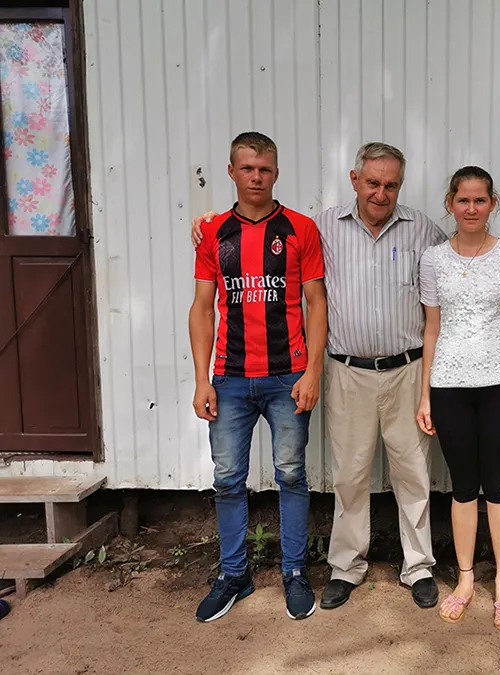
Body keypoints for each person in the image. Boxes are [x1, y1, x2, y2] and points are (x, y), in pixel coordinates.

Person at [192, 143, 500, 611]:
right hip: (347, 369)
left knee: (413, 471)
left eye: (390, 184)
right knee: (349, 474)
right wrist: (209, 220)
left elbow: (465, 254)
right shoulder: (322, 227)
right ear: (355, 180)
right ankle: (346, 566)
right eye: (372, 182)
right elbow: (266, 225)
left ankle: (418, 567)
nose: (380, 193)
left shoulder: (423, 230)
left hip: (408, 368)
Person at [189, 132, 327, 623]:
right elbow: (203, 307)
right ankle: (233, 575)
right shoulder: (213, 233)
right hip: (228, 378)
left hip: (287, 377)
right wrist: (202, 379)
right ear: (231, 171)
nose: (256, 177)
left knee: (291, 475)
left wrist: (312, 370)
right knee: (227, 480)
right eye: (247, 168)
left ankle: (293, 572)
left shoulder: (299, 229)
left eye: (265, 169)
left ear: (276, 172)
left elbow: (315, 303)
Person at [416, 167, 500, 630]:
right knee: (463, 487)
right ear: (450, 203)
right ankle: (465, 579)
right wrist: (425, 395)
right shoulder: (432, 260)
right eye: (462, 200)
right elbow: (431, 328)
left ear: (492, 203)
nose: (470, 208)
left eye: (480, 200)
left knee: (499, 485)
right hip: (448, 385)